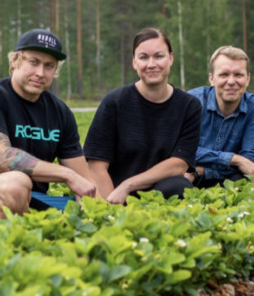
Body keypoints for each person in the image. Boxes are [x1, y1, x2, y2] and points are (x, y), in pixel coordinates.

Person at [0, 29, 97, 221]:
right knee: (15, 184)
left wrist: (99, 213)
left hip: (34, 199)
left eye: (49, 66)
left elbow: (85, 182)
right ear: (15, 62)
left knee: (92, 208)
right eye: (33, 62)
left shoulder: (60, 112)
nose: (40, 73)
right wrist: (66, 175)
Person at [83, 27, 201, 204]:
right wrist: (111, 209)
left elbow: (179, 164)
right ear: (134, 62)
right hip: (115, 192)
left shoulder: (189, 106)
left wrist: (129, 185)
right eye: (143, 57)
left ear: (171, 58)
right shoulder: (114, 102)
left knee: (179, 186)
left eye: (159, 56)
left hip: (158, 192)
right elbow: (97, 165)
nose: (151, 64)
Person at [187, 45, 254, 188]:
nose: (231, 81)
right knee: (175, 185)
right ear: (211, 79)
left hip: (206, 175)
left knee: (243, 181)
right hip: (189, 177)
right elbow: (183, 152)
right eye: (224, 75)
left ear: (247, 79)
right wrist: (235, 159)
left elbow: (251, 164)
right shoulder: (192, 101)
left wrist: (200, 171)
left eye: (238, 75)